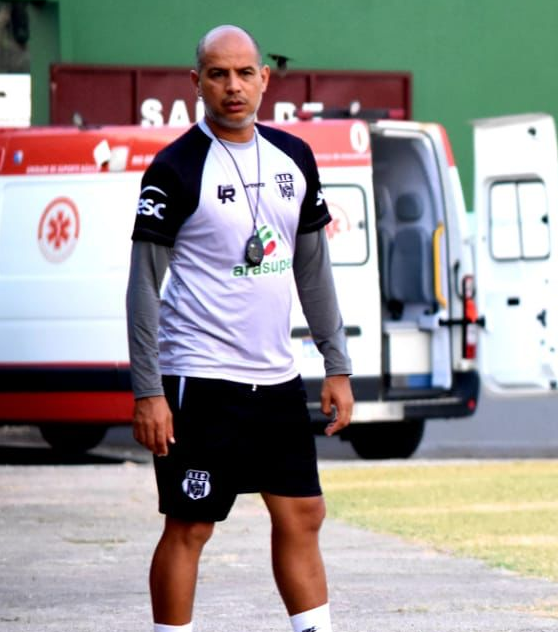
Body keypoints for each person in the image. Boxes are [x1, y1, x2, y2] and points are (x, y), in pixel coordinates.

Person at [125, 24, 353, 632]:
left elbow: (313, 270)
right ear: (196, 81)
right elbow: (143, 286)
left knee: (303, 514)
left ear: (264, 79)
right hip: (200, 380)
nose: (233, 86)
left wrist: (337, 365)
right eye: (218, 74)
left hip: (277, 380)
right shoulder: (174, 168)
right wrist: (148, 391)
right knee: (191, 525)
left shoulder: (294, 157)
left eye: (245, 73)